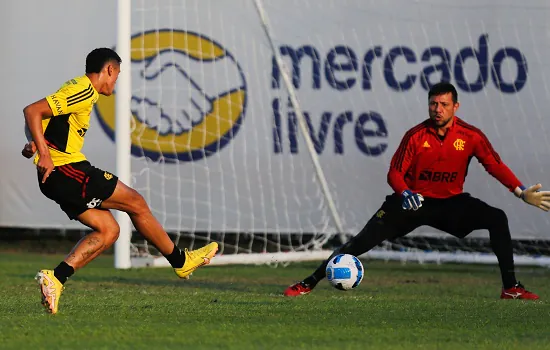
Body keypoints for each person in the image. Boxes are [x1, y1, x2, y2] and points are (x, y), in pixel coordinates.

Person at [284, 82, 549, 300]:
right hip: (411, 202)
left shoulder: (471, 136)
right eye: (433, 103)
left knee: (497, 218)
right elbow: (394, 173)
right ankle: (308, 282)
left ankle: (511, 288)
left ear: (455, 106)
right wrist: (404, 192)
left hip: (450, 203)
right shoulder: (415, 136)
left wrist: (521, 191)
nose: (438, 109)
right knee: (358, 243)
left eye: (444, 104)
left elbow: (495, 165)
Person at [22, 48, 218, 314]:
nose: (116, 82)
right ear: (109, 70)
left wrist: (35, 143)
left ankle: (55, 278)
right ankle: (180, 260)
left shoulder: (76, 88)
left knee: (109, 230)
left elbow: (45, 116)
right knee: (135, 202)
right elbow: (32, 110)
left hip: (58, 176)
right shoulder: (83, 90)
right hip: (66, 170)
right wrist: (44, 153)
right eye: (117, 75)